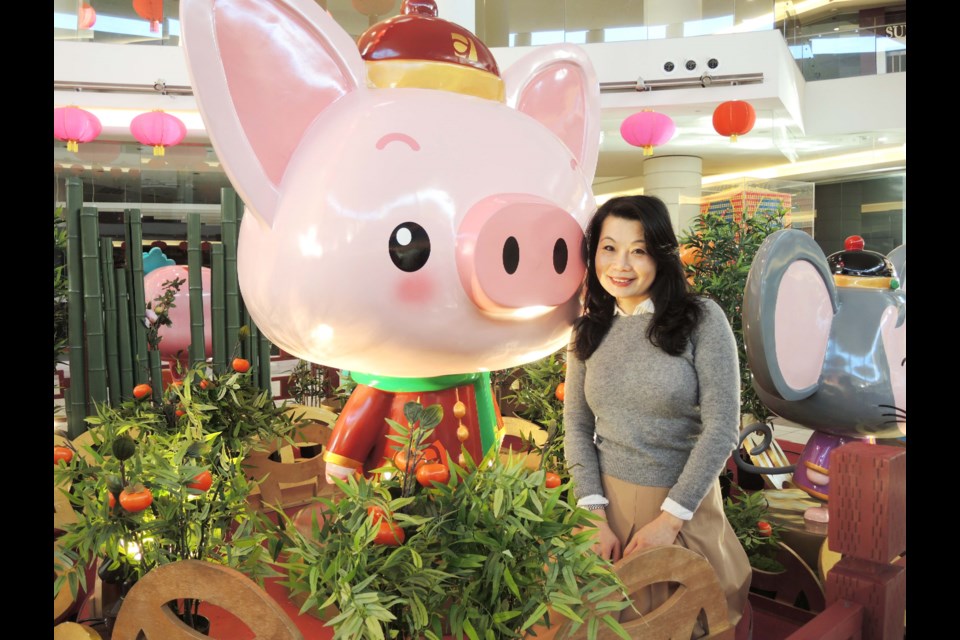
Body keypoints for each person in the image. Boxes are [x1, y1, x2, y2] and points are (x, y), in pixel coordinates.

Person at [563, 195, 751, 632]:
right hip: (605, 506)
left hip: (683, 503)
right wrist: (591, 513)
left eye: (639, 250)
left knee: (689, 620)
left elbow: (722, 427)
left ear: (661, 255)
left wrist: (670, 520)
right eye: (609, 248)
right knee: (611, 623)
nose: (621, 264)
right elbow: (576, 424)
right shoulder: (587, 329)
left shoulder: (701, 319)